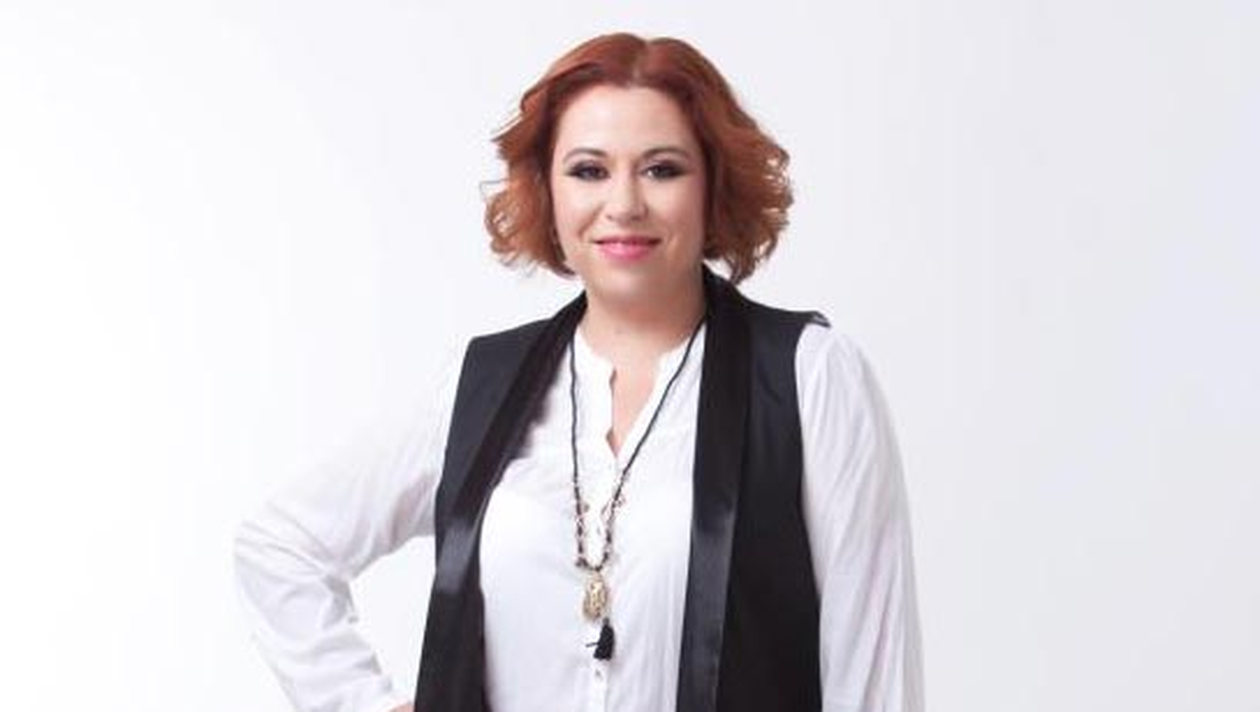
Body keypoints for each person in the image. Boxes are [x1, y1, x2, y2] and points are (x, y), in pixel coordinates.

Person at [234, 32, 923, 712]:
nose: (624, 204)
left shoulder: (809, 378)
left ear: (712, 186)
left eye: (662, 169)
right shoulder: (482, 385)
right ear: (548, 189)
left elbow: (875, 684)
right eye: (589, 170)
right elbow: (282, 547)